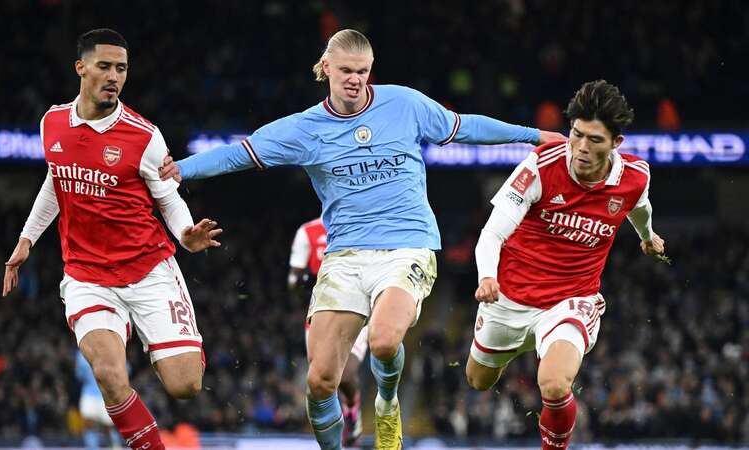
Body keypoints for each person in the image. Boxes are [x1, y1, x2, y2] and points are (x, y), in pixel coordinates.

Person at [160, 29, 564, 450]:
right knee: (319, 382)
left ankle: (387, 404)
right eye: (347, 71)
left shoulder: (404, 104)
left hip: (407, 246)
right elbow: (241, 152)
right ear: (326, 69)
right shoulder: (304, 129)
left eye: (363, 72)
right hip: (345, 256)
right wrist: (183, 170)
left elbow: (465, 128)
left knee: (384, 340)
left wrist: (532, 135)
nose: (355, 79)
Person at [1, 29, 222, 450]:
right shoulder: (52, 123)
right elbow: (57, 178)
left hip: (148, 269)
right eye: (104, 66)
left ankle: (170, 343)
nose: (113, 76)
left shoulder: (143, 136)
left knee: (185, 385)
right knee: (107, 373)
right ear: (80, 67)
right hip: (87, 274)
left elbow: (168, 198)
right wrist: (27, 239)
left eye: (121, 68)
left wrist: (186, 234)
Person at [465, 80, 665, 449]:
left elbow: (640, 207)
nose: (581, 148)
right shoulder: (541, 166)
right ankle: (515, 346)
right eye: (576, 135)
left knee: (555, 384)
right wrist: (487, 277)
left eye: (595, 140)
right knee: (478, 380)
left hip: (571, 301)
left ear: (616, 144)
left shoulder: (635, 177)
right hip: (508, 296)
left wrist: (647, 237)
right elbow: (491, 234)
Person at [290, 217, 367, 446]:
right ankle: (333, 437)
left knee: (343, 374)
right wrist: (303, 280)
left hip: (360, 307)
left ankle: (353, 407)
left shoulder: (367, 222)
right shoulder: (307, 232)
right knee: (321, 380)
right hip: (322, 308)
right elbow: (293, 279)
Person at [75, 350, 122, 450]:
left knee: (96, 427)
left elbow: (79, 375)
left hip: (96, 396)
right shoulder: (108, 348)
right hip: (99, 395)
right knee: (104, 427)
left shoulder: (82, 352)